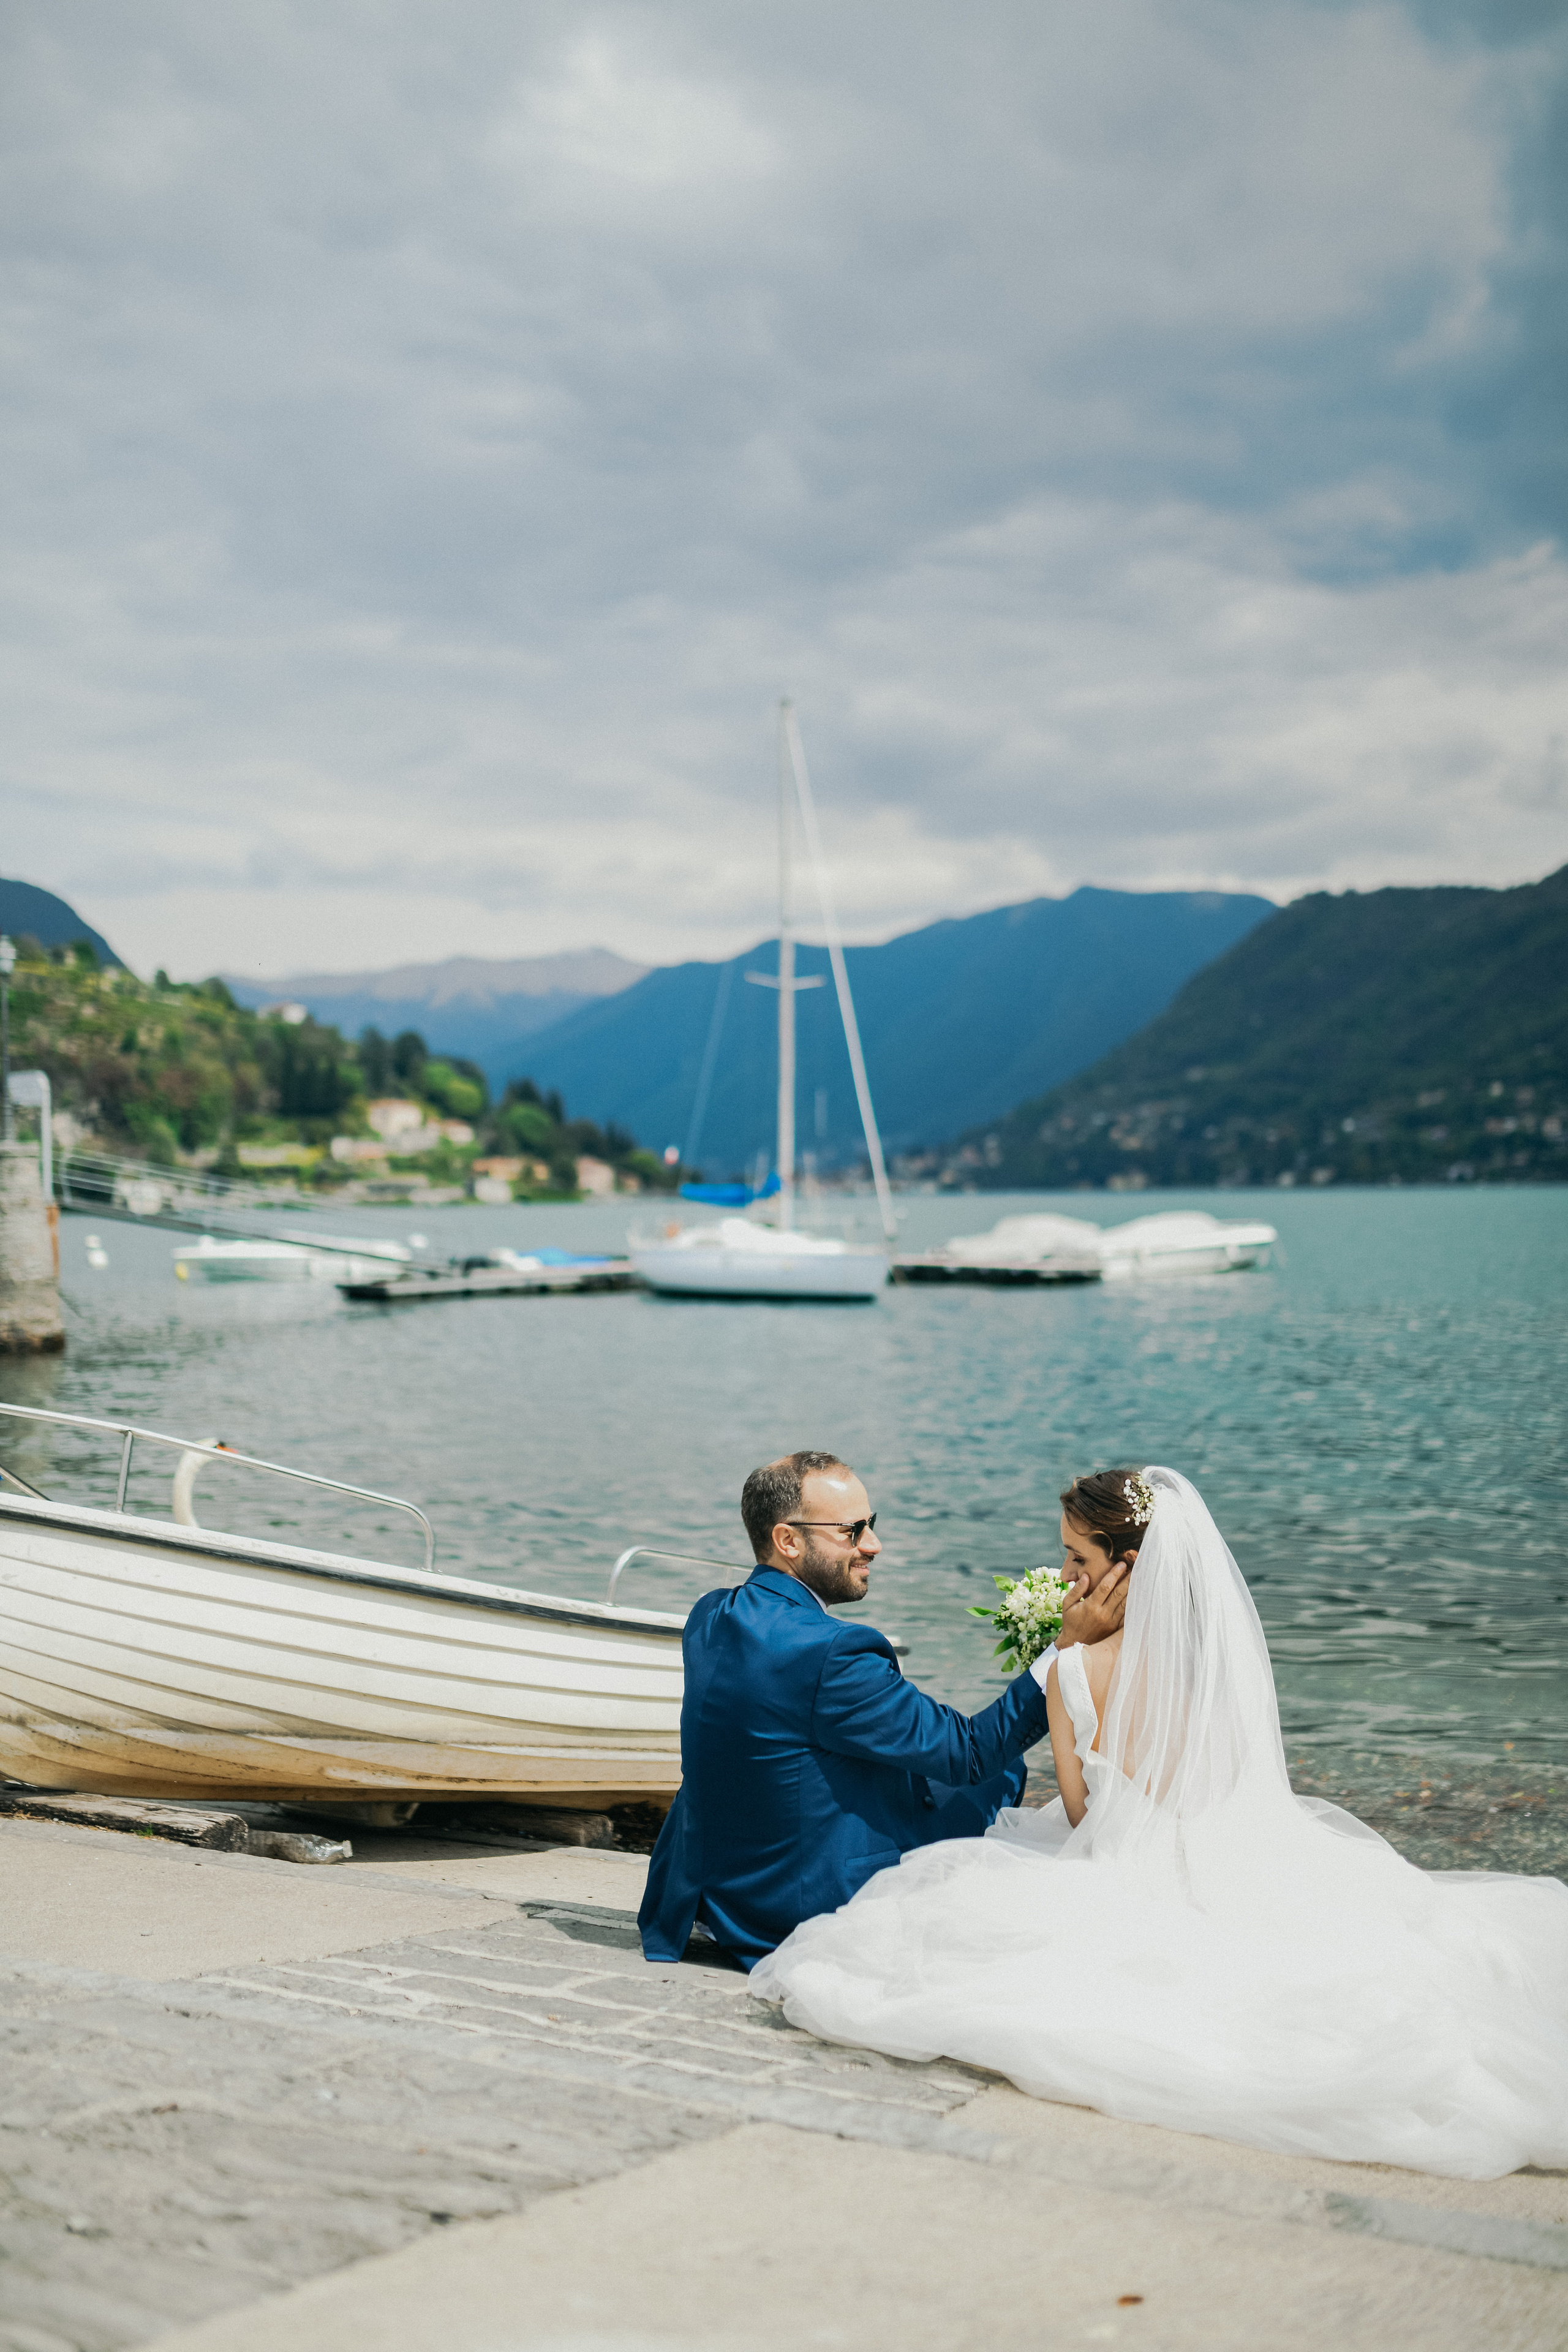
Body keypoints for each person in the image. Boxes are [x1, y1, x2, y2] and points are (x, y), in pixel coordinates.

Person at [752, 1465, 1568, 2181]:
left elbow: (1081, 1815)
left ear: (1123, 1568)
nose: (1066, 1576)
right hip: (1243, 1854)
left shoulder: (1074, 1667)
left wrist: (1066, 1658)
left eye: (1077, 1559)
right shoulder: (1215, 1665)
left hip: (1119, 1860)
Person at [638, 1449, 1129, 1970]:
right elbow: (970, 1753)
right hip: (796, 1906)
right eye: (851, 1532)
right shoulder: (832, 1653)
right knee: (999, 1771)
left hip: (708, 1892)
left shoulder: (711, 1614)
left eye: (871, 1524)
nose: (874, 1544)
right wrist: (1066, 1648)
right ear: (787, 1540)